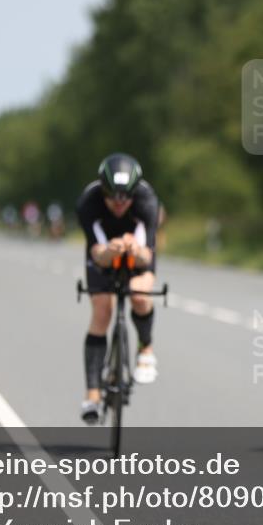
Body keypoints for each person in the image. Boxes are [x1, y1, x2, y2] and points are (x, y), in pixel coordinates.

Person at [75, 153, 161, 424]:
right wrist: (110, 251)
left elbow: (147, 256)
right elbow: (97, 252)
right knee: (102, 311)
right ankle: (92, 395)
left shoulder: (147, 200)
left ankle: (145, 349)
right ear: (103, 191)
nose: (120, 204)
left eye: (126, 198)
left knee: (139, 294)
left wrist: (135, 251)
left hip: (138, 251)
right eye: (113, 198)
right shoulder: (88, 203)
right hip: (103, 252)